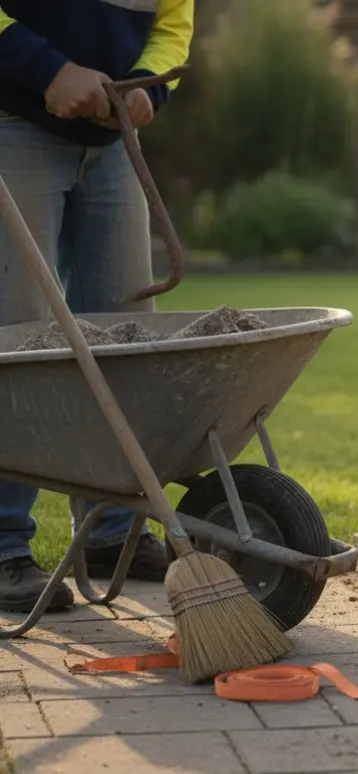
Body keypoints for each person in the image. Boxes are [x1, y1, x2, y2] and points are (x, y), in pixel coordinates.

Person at [0, 1, 192, 612]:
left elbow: (172, 27)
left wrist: (148, 95)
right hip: (12, 124)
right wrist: (48, 70)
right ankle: (2, 546)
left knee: (123, 338)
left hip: (113, 143)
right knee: (16, 339)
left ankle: (111, 536)